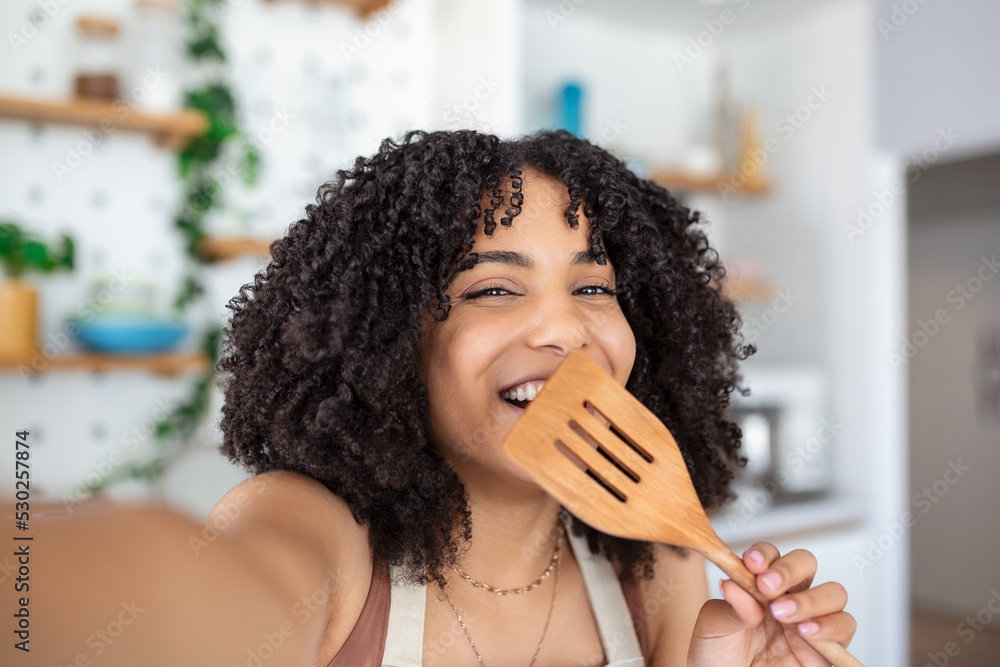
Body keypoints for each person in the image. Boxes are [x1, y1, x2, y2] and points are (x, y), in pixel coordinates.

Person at [3, 129, 855, 667]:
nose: (567, 330)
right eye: (492, 290)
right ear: (391, 341)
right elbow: (188, 600)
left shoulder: (657, 560)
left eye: (596, 288)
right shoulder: (318, 535)